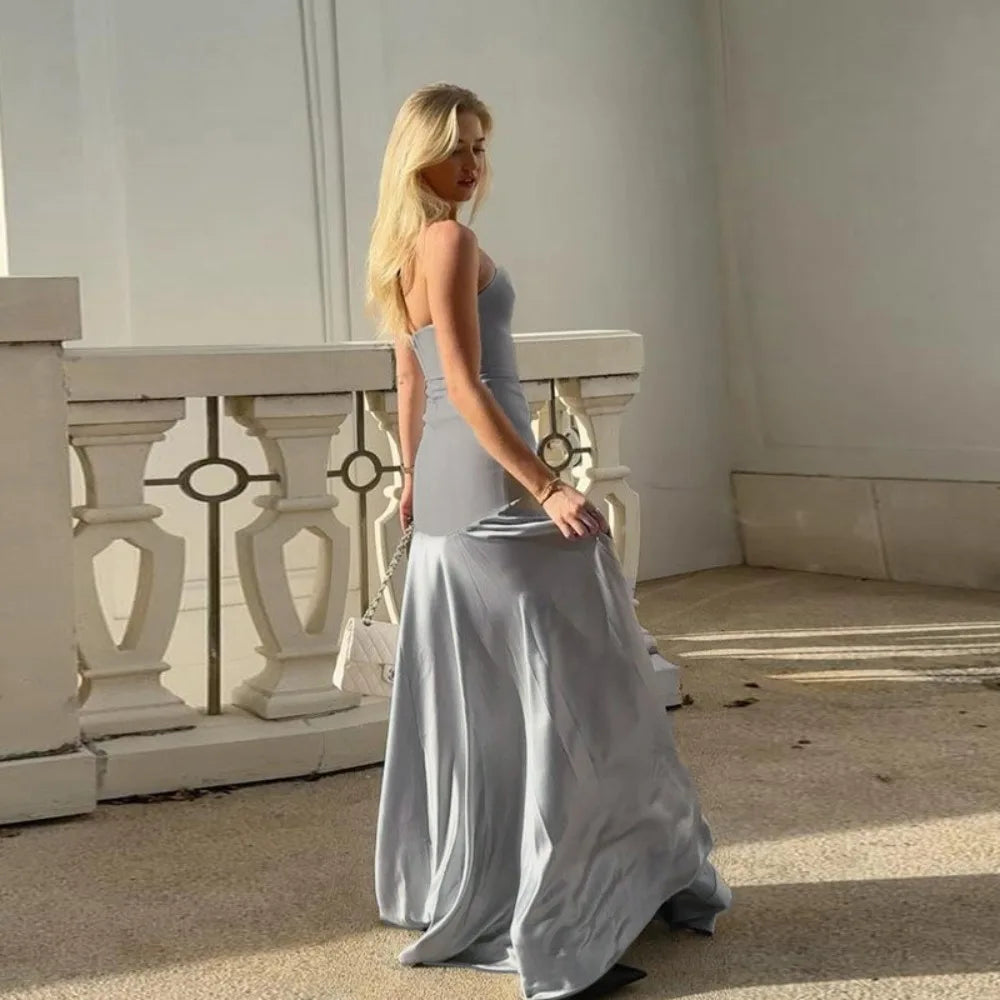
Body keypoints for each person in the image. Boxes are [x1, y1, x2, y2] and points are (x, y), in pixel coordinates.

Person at [366, 83, 731, 1000]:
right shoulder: (450, 242)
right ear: (418, 154)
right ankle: (566, 915)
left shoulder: (401, 252)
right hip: (494, 487)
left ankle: (532, 886)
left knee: (496, 701)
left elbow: (410, 384)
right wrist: (548, 485)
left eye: (481, 146)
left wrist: (411, 478)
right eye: (457, 146)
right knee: (579, 694)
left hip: (447, 493)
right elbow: (462, 381)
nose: (473, 164)